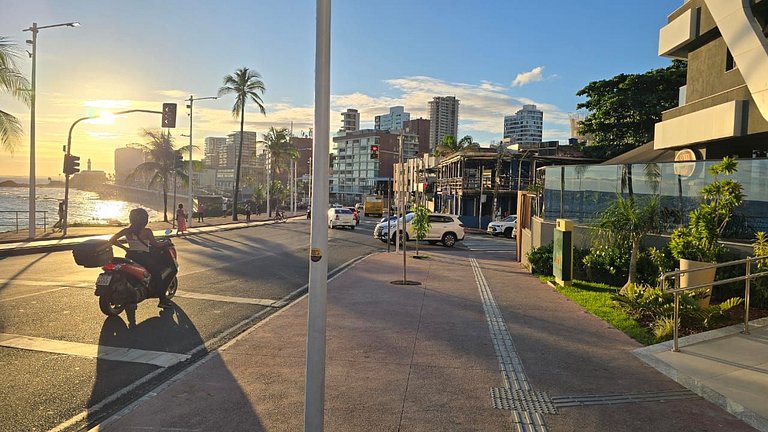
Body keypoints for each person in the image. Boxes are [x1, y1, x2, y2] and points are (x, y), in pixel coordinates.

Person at [109, 208, 173, 309]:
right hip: (143, 257)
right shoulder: (147, 231)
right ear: (144, 220)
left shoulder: (126, 231)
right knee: (157, 275)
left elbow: (112, 240)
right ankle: (162, 300)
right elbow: (155, 244)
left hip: (130, 256)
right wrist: (167, 243)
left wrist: (125, 248)